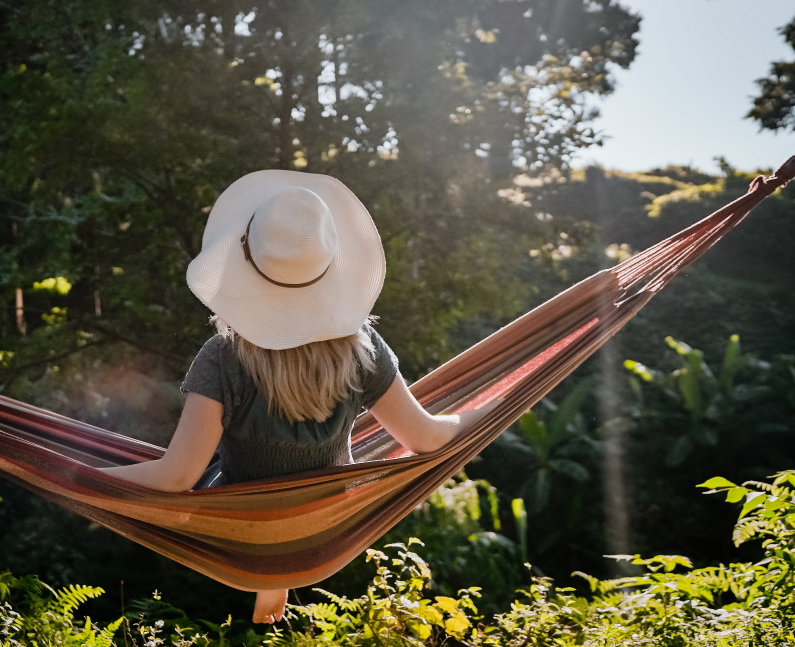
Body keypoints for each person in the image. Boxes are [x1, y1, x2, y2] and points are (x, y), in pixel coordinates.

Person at [100, 170, 501, 624]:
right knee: (295, 487)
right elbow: (427, 438)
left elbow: (177, 477)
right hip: (326, 526)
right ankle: (274, 588)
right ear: (329, 266)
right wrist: (489, 411)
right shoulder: (361, 350)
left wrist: (89, 480)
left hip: (242, 529)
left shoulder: (223, 359)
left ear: (244, 258)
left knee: (236, 479)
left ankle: (270, 577)